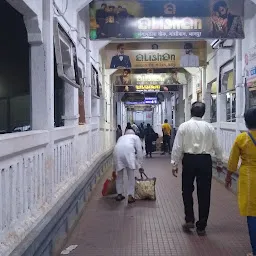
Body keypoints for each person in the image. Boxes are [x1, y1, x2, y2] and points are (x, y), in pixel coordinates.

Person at [171, 102, 223, 236]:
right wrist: (219, 162)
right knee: (204, 193)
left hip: (188, 160)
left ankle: (189, 219)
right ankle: (201, 226)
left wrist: (174, 163)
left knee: (187, 190)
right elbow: (217, 146)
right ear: (203, 113)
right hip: (205, 161)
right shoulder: (209, 127)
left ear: (191, 112)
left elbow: (177, 147)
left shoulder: (184, 127)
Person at [226, 107, 256, 256]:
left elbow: (232, 161)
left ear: (246, 122)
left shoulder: (242, 138)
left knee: (252, 214)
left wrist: (228, 176)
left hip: (249, 179)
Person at [113, 128, 143, 203]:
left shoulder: (121, 138)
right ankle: (130, 196)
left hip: (117, 153)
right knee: (131, 177)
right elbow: (139, 151)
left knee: (119, 176)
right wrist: (140, 165)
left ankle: (119, 194)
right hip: (129, 153)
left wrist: (114, 169)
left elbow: (116, 150)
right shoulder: (135, 137)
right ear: (134, 133)